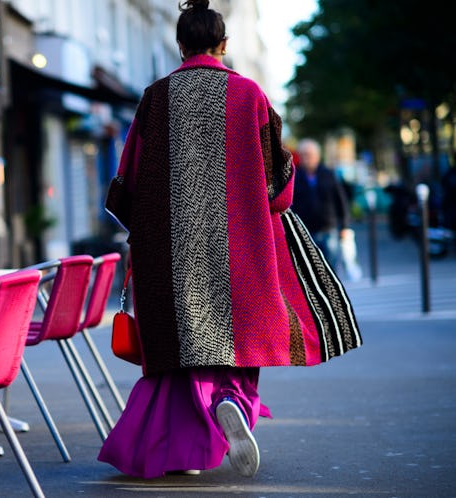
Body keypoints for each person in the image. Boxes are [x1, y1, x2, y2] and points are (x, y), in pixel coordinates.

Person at [100, 0, 361, 480]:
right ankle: (229, 399)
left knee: (180, 349)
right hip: (240, 247)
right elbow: (279, 189)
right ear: (224, 44)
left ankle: (186, 445)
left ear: (179, 45)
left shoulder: (156, 97)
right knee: (236, 338)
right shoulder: (249, 95)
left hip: (169, 255)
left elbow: (126, 184)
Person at [291, 138, 352, 270]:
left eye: (309, 155)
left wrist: (345, 226)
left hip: (328, 229)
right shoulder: (294, 176)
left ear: (317, 156)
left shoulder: (328, 174)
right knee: (310, 270)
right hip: (305, 231)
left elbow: (341, 201)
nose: (306, 158)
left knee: (330, 269)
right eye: (303, 155)